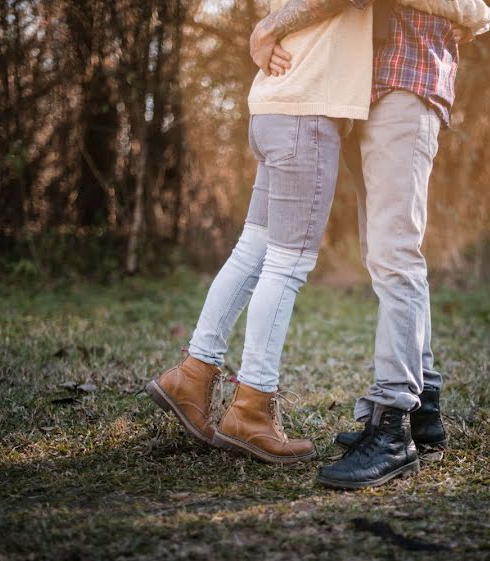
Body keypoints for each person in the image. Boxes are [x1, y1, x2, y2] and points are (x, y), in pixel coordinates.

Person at [248, 0, 490, 489]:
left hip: (405, 86)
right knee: (387, 253)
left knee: (394, 256)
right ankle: (423, 409)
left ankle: (393, 427)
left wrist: (268, 28)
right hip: (369, 94)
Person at [144, 0, 374, 464]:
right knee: (287, 264)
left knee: (254, 249)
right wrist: (267, 27)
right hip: (305, 112)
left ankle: (193, 374)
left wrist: (267, 27)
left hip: (274, 108)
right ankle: (251, 407)